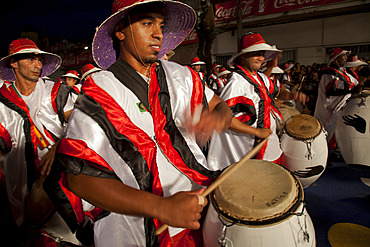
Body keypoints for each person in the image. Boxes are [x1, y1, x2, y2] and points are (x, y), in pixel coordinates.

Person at [44, 1, 232, 246]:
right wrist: (162, 207)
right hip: (133, 229)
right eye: (147, 23)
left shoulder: (181, 76)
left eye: (161, 25)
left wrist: (216, 118)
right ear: (121, 31)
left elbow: (221, 106)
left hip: (199, 211)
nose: (158, 34)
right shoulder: (100, 90)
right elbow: (77, 177)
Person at [0, 38, 77, 245]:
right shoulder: (2, 101)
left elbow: (82, 121)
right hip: (21, 192)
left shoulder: (55, 92)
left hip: (63, 185)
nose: (37, 65)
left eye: (39, 59)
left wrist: (59, 145)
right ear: (13, 63)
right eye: (30, 59)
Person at [207, 32, 308, 170]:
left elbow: (278, 91)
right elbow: (225, 119)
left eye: (262, 54)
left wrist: (291, 95)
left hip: (269, 145)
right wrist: (257, 132)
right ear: (243, 55)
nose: (261, 58)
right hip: (250, 150)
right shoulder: (237, 83)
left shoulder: (261, 77)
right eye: (256, 54)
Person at [314, 48, 359, 153]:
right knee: (327, 130)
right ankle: (325, 153)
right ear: (335, 59)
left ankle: (332, 149)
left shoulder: (342, 71)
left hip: (338, 106)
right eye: (343, 57)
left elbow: (354, 82)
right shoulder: (329, 73)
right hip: (329, 108)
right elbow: (331, 91)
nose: (345, 58)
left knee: (335, 129)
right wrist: (349, 89)